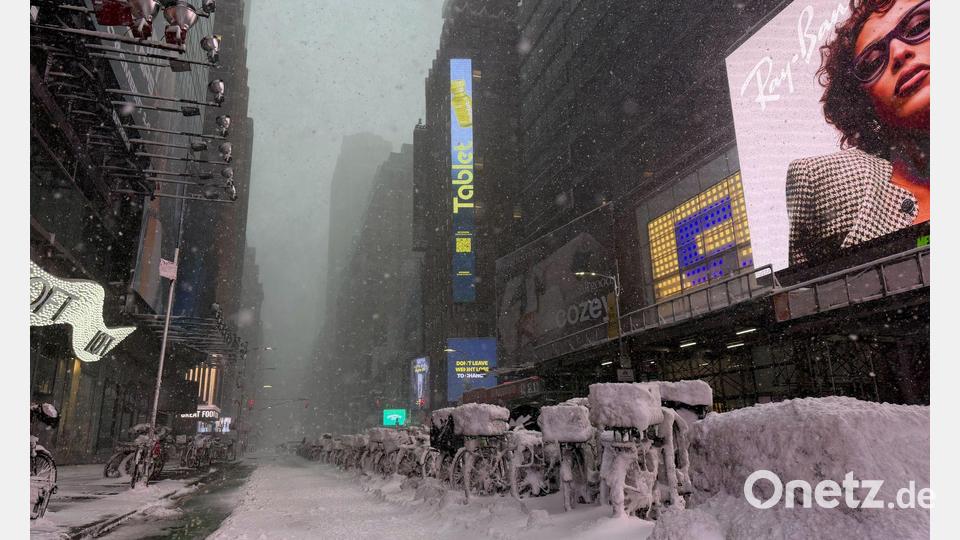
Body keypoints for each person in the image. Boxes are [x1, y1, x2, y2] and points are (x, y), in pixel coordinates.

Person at [786, 0, 929, 266]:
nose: (898, 52)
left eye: (920, 25)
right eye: (873, 62)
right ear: (864, 102)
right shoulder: (826, 186)